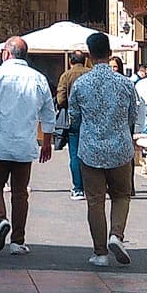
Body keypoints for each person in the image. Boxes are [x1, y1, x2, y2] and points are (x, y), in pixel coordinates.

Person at [0, 35, 54, 256]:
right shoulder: (38, 78)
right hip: (25, 144)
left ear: (7, 53)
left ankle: (0, 219)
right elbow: (48, 111)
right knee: (20, 193)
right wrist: (47, 141)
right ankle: (18, 240)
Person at [65, 31, 138, 268]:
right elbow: (132, 116)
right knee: (121, 195)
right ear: (110, 54)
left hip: (91, 149)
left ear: (89, 55)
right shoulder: (125, 83)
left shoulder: (80, 84)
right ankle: (116, 234)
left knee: (95, 201)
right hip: (120, 149)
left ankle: (100, 253)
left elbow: (74, 118)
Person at [54, 48, 88, 198]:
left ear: (70, 61)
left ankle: (78, 187)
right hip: (91, 118)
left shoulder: (66, 76)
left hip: (73, 118)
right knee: (89, 153)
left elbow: (61, 99)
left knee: (74, 154)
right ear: (85, 61)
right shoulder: (90, 73)